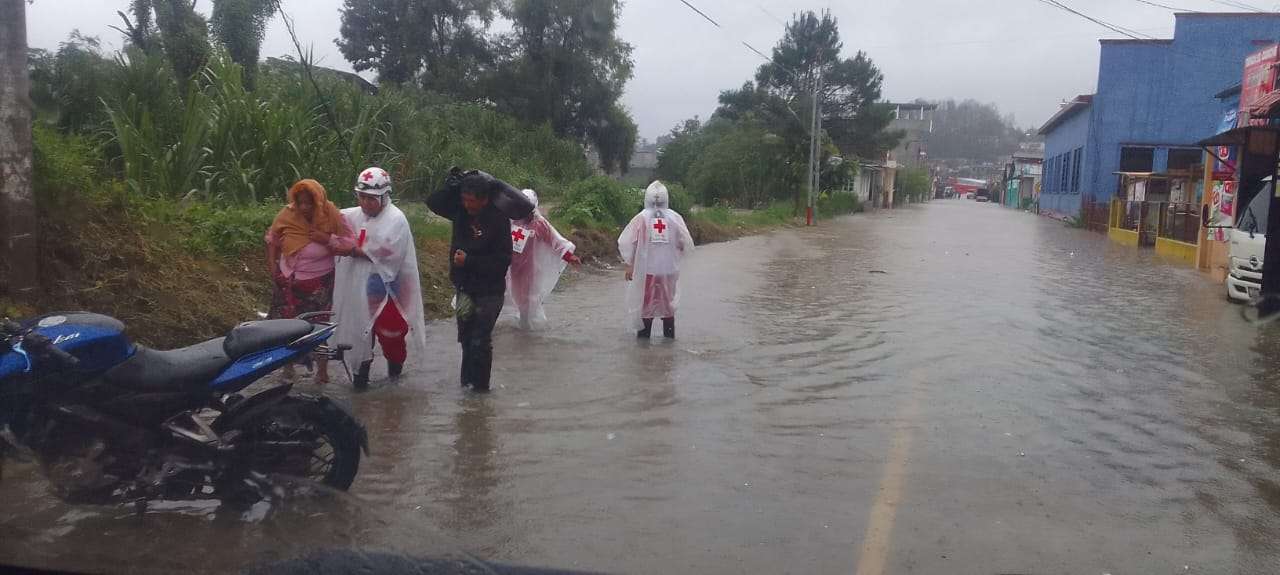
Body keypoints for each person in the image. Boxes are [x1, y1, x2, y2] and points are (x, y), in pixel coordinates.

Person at [427, 172, 533, 392]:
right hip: (465, 287)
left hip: (490, 291)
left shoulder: (498, 219)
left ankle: (481, 393)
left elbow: (503, 260)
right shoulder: (460, 212)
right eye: (464, 200)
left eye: (472, 201)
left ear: (485, 199)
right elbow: (433, 203)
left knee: (480, 341)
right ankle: (466, 387)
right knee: (466, 341)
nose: (467, 205)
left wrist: (470, 261)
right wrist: (452, 184)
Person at [332, 167, 427, 390]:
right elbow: (328, 215)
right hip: (360, 287)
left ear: (384, 197)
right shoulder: (353, 215)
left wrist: (351, 250)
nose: (365, 203)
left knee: (391, 335)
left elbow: (388, 255)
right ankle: (361, 384)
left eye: (371, 199)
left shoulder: (396, 220)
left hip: (390, 288)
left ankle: (395, 378)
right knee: (359, 334)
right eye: (361, 197)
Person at [265, 179, 352, 384]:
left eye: (309, 203)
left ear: (319, 202)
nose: (304, 208)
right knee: (283, 326)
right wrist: (273, 268)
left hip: (317, 283)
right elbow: (272, 239)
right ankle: (287, 367)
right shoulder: (287, 214)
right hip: (287, 280)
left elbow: (349, 243)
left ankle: (322, 372)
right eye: (300, 203)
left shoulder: (332, 216)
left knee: (317, 327)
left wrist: (327, 239)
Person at [618, 180, 694, 339]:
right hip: (669, 271)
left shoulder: (641, 218)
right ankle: (669, 344)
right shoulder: (675, 218)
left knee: (646, 308)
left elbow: (629, 241)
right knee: (668, 308)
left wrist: (630, 265)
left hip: (648, 271)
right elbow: (685, 242)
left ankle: (643, 347)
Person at [506, 189, 581, 330]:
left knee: (527, 300)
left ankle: (525, 326)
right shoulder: (511, 220)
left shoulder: (539, 224)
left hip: (530, 270)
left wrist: (569, 256)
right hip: (510, 266)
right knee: (509, 295)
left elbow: (555, 242)